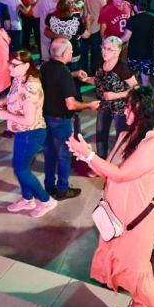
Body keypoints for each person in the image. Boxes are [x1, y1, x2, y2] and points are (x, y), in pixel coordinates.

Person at [66, 87, 154, 307]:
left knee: (138, 271)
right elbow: (107, 168)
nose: (125, 111)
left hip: (136, 220)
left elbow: (121, 174)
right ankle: (138, 306)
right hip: (117, 215)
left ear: (144, 111)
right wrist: (86, 156)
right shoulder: (128, 135)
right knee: (124, 265)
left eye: (130, 106)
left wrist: (89, 155)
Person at [0, 50, 57, 218]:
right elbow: (11, 97)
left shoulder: (30, 88)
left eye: (14, 65)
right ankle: (27, 199)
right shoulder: (19, 78)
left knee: (21, 170)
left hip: (31, 133)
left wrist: (5, 115)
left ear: (26, 66)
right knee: (21, 168)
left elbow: (29, 120)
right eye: (9, 63)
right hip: (22, 132)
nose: (9, 67)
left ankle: (47, 201)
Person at [41, 38, 100, 200]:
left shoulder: (45, 67)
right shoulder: (64, 74)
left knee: (50, 154)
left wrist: (73, 74)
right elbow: (71, 105)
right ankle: (62, 189)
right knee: (64, 155)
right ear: (65, 53)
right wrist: (89, 105)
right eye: (71, 50)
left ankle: (49, 186)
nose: (73, 53)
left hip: (45, 118)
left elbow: (54, 80)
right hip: (61, 121)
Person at [76, 36, 139, 158]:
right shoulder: (100, 64)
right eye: (103, 48)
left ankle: (118, 163)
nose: (104, 51)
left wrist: (116, 95)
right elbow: (98, 80)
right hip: (103, 106)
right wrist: (86, 79)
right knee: (101, 135)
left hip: (120, 109)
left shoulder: (122, 68)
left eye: (109, 49)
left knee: (121, 138)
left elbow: (136, 88)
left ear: (117, 52)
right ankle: (100, 161)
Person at [123, 0, 154, 87]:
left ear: (134, 6)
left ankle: (134, 96)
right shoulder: (152, 17)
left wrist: (115, 41)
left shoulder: (132, 20)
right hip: (147, 52)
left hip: (134, 53)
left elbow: (126, 37)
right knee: (145, 79)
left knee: (132, 78)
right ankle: (145, 98)